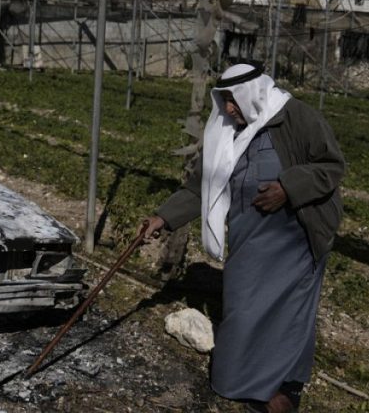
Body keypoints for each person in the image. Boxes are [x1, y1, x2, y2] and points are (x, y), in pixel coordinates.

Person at [143, 62, 345, 413]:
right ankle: (239, 380)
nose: (228, 108)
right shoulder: (224, 131)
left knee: (288, 313)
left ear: (252, 93)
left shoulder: (296, 117)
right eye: (223, 100)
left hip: (293, 237)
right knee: (243, 308)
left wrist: (287, 186)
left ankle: (281, 387)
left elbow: (331, 166)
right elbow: (201, 188)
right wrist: (164, 217)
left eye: (232, 100)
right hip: (250, 236)